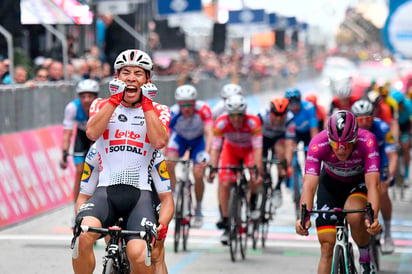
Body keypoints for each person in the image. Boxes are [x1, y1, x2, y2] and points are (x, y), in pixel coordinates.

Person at [72, 49, 170, 274]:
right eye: (125, 72)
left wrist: (147, 105)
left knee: (138, 254)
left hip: (140, 195)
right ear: (117, 78)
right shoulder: (100, 104)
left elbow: (158, 141)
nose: (131, 78)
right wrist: (115, 100)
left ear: (148, 80)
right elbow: (92, 133)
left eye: (138, 73)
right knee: (83, 236)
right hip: (106, 192)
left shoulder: (159, 110)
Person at [295, 110, 381, 273]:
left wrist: (373, 218)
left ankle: (364, 258)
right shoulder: (317, 143)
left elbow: (373, 184)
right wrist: (303, 217)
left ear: (355, 139)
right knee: (326, 247)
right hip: (330, 186)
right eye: (335, 145)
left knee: (355, 216)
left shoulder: (367, 141)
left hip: (357, 185)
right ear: (329, 140)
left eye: (347, 144)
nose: (341, 150)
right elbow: (309, 185)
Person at [76, 144, 173, 274]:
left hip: (147, 194)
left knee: (155, 253)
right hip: (110, 195)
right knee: (110, 236)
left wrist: (163, 224)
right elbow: (84, 195)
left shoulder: (153, 151)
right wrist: (82, 219)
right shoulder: (96, 150)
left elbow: (167, 198)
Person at [208, 94, 264, 245]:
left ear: (244, 113)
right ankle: (226, 222)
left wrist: (258, 169)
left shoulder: (253, 122)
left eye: (240, 116)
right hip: (231, 150)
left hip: (249, 150)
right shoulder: (221, 123)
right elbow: (215, 148)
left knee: (254, 174)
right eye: (233, 116)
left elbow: (258, 149)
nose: (237, 119)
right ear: (228, 114)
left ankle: (252, 202)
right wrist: (212, 168)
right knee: (225, 183)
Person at [351, 99, 398, 254]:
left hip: (380, 162)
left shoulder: (383, 128)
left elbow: (392, 156)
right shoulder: (349, 130)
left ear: (373, 117)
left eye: (368, 119)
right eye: (360, 120)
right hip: (360, 163)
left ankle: (388, 234)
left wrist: (389, 174)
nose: (364, 123)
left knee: (382, 191)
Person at [166, 84, 213, 228]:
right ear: (178, 104)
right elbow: (166, 136)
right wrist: (161, 152)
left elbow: (209, 132)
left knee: (198, 174)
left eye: (190, 104)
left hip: (198, 141)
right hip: (180, 139)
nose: (186, 108)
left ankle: (198, 209)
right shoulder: (173, 112)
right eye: (183, 104)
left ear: (195, 103)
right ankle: (173, 195)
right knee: (168, 163)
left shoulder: (203, 109)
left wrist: (207, 152)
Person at [60, 79, 99, 204]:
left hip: (98, 137)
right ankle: (77, 206)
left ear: (96, 97)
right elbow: (67, 133)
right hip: (82, 136)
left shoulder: (101, 107)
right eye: (83, 96)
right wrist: (64, 153)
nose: (87, 100)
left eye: (90, 96)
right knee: (79, 171)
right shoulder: (72, 108)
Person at [257, 97, 296, 208]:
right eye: (276, 115)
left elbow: (289, 144)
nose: (278, 118)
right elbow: (255, 140)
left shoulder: (289, 119)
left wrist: (285, 164)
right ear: (270, 111)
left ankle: (278, 188)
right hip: (263, 139)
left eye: (281, 115)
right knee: (260, 162)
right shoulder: (262, 116)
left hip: (279, 140)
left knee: (281, 154)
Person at [391, 90, 412, 187]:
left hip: (406, 126)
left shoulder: (408, 105)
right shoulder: (391, 108)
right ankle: (393, 173)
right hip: (395, 125)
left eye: (401, 104)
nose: (399, 107)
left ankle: (406, 175)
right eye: (397, 105)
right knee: (392, 147)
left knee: (405, 146)